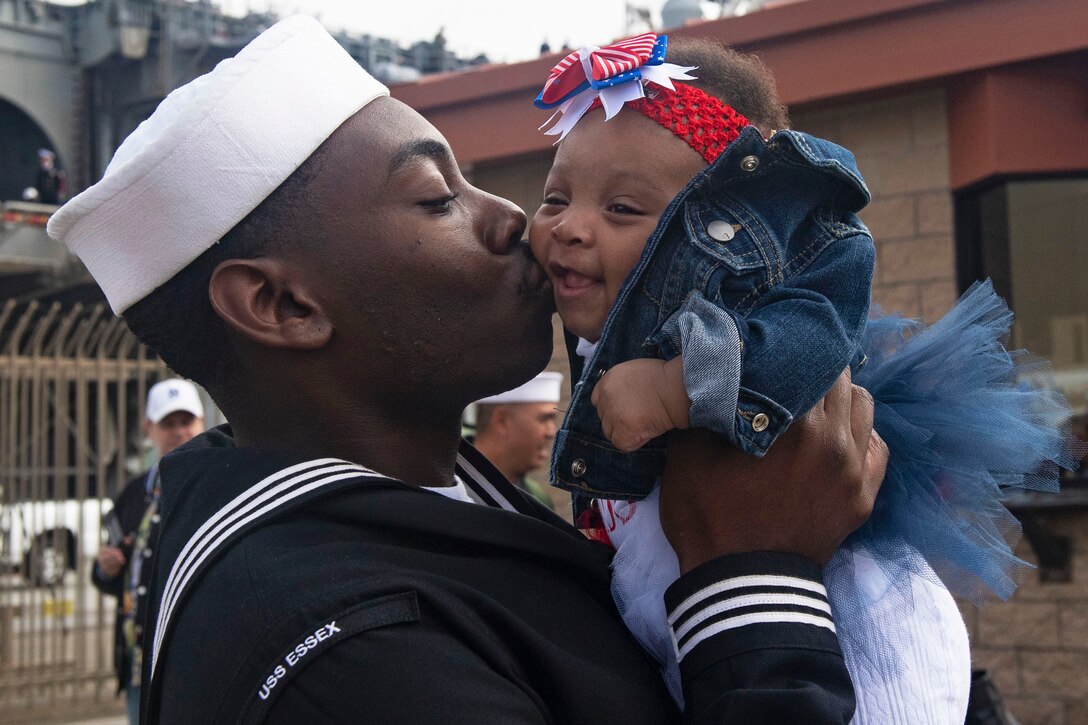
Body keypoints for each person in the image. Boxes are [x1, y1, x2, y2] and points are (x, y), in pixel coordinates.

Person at [49, 16, 887, 723]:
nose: (515, 220)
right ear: (283, 305)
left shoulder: (422, 504)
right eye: (436, 198)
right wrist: (754, 580)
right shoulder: (353, 656)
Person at [528, 32, 1077, 721]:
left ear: (730, 225)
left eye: (622, 209)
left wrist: (677, 388)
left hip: (826, 618)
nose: (570, 227)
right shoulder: (595, 335)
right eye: (554, 198)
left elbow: (813, 341)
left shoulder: (763, 310)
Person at [92, 378, 205, 724]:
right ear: (148, 428)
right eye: (168, 424)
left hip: (192, 666)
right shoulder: (131, 495)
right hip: (139, 669)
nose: (178, 432)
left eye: (186, 422)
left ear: (202, 424)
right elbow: (113, 576)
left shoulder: (215, 489)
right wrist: (105, 570)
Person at [471, 371, 562, 510]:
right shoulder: (452, 492)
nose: (551, 432)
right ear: (502, 420)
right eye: (544, 419)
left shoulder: (537, 498)